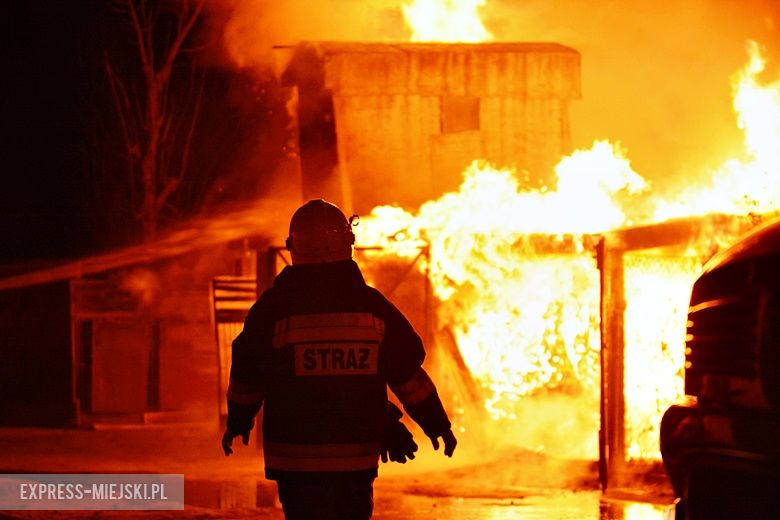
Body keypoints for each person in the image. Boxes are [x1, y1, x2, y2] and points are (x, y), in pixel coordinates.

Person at [221, 199, 457, 520]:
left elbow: (248, 375)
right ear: (349, 243)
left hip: (295, 461)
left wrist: (238, 420)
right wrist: (435, 423)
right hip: (355, 461)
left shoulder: (272, 309)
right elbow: (407, 374)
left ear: (293, 247)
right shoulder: (372, 307)